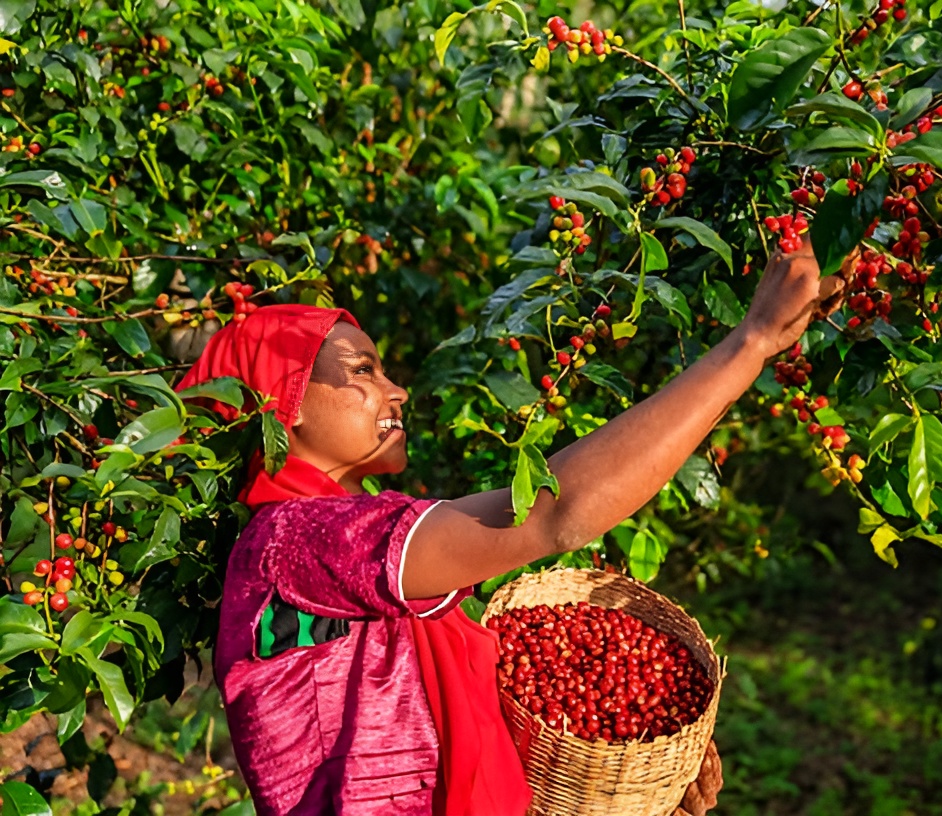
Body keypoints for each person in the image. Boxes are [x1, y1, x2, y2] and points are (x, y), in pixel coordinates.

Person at [175, 235, 848, 816]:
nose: (396, 389)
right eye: (363, 371)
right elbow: (556, 513)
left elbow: (449, 732)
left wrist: (634, 773)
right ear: (282, 404)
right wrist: (749, 343)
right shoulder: (299, 538)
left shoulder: (341, 546)